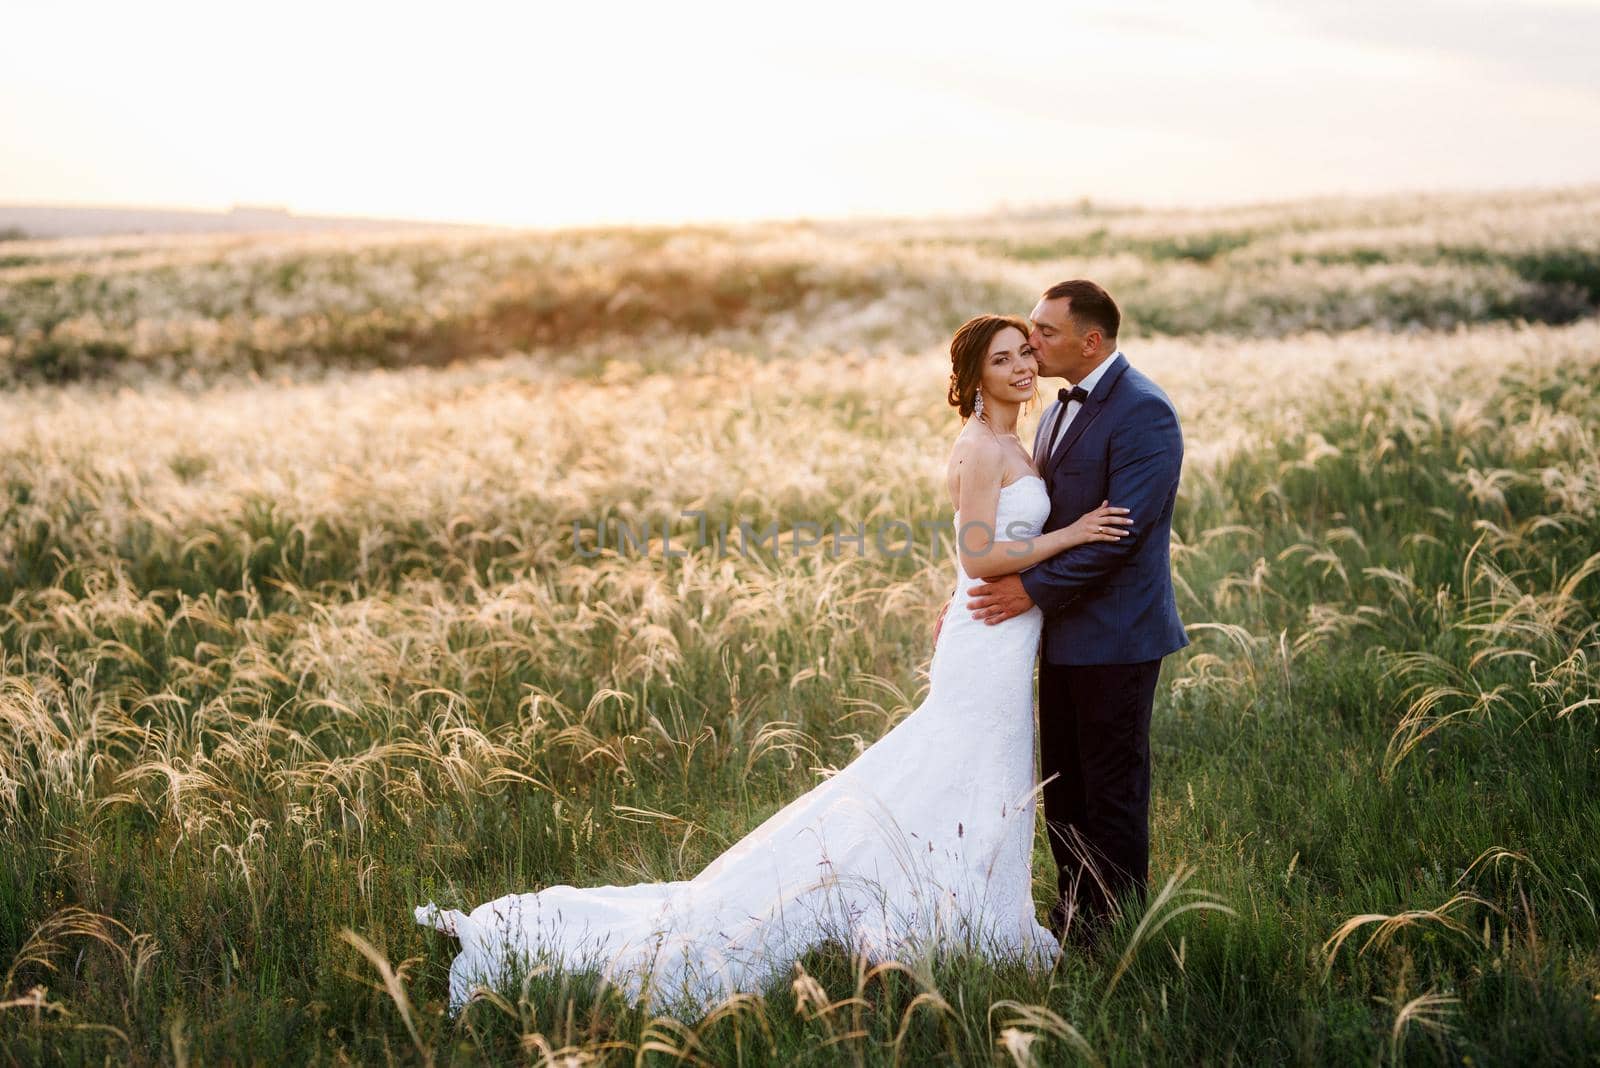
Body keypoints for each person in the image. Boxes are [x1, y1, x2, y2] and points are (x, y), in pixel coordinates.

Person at [415, 314, 1133, 1018]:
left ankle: (976, 919)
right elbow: (978, 555)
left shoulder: (1018, 440)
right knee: (962, 768)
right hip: (987, 645)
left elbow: (973, 555)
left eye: (1024, 355)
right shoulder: (980, 447)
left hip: (1002, 637)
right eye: (1004, 358)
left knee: (985, 776)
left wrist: (975, 584)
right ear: (976, 376)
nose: (1022, 367)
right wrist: (1071, 533)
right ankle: (931, 919)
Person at [961, 280, 1190, 950]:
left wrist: (1031, 591)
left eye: (1045, 332)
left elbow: (1119, 534)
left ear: (1091, 341)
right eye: (1028, 330)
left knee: (1111, 792)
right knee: (1064, 788)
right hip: (1056, 637)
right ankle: (1074, 916)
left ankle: (1117, 933)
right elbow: (1034, 521)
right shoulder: (1056, 408)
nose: (1032, 343)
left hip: (1117, 637)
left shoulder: (1144, 412)